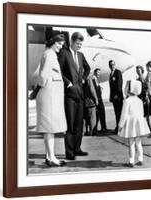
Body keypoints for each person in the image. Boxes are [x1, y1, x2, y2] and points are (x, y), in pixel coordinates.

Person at [36, 33, 67, 167]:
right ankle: (51, 157)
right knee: (50, 128)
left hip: (50, 96)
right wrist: (39, 89)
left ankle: (50, 156)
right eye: (59, 43)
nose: (61, 46)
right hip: (49, 96)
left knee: (50, 129)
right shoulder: (49, 54)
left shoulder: (50, 54)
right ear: (54, 42)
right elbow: (43, 75)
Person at [58, 32, 91, 160]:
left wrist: (83, 78)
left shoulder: (81, 55)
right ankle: (69, 152)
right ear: (71, 41)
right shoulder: (64, 53)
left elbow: (87, 69)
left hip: (80, 94)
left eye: (81, 44)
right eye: (77, 43)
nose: (79, 46)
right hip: (70, 95)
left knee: (79, 124)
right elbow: (58, 70)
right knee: (70, 124)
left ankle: (77, 149)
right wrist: (68, 83)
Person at [118, 80, 150, 167]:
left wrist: (120, 126)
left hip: (130, 124)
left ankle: (131, 161)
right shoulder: (139, 100)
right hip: (138, 123)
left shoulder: (127, 101)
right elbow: (142, 113)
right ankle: (141, 159)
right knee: (138, 142)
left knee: (131, 143)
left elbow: (124, 115)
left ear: (129, 89)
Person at [109, 60, 123, 134]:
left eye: (113, 64)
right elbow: (111, 87)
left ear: (115, 65)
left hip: (118, 97)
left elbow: (119, 84)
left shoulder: (118, 72)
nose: (112, 66)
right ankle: (118, 127)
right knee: (116, 113)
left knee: (119, 113)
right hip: (114, 97)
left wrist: (117, 95)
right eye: (111, 65)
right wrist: (111, 97)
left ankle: (120, 128)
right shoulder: (111, 74)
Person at [92, 68, 107, 133]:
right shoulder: (93, 79)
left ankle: (100, 128)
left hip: (99, 98)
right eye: (98, 72)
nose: (99, 74)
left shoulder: (95, 79)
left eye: (99, 72)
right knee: (100, 113)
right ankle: (100, 128)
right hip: (98, 99)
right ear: (95, 72)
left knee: (99, 114)